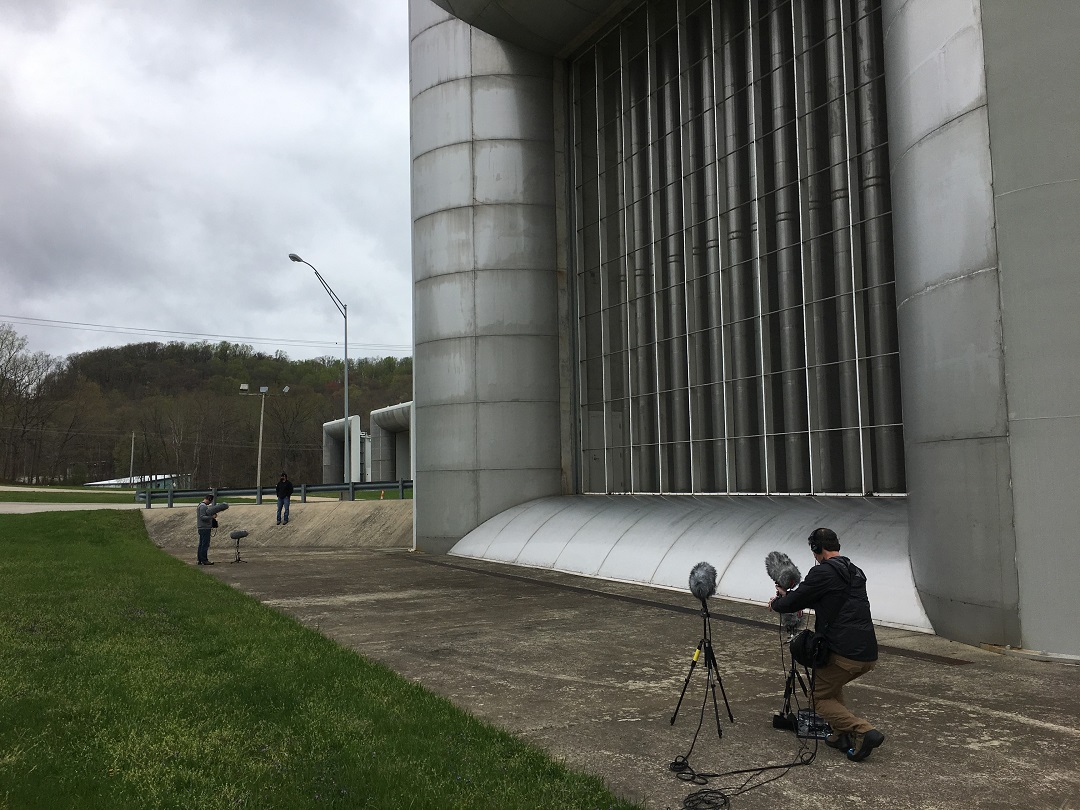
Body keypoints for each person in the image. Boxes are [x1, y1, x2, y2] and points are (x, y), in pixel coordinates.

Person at [769, 527, 885, 762]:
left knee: (818, 699)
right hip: (867, 652)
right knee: (831, 685)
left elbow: (794, 601)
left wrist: (778, 602)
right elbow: (832, 601)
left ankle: (864, 730)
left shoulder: (822, 573)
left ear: (816, 548)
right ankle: (838, 734)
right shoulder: (855, 571)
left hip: (844, 652)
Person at [196, 492, 229, 565]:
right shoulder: (203, 506)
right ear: (209, 499)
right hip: (204, 528)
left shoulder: (200, 505)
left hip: (202, 527)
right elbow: (202, 517)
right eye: (210, 501)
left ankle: (200, 559)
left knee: (201, 544)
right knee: (205, 544)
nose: (210, 503)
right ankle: (204, 560)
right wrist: (212, 517)